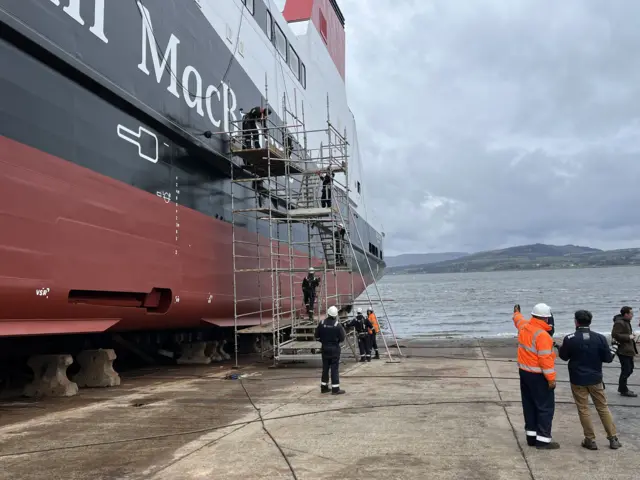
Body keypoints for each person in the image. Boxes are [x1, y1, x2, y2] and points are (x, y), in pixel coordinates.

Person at [558, 310, 621, 450]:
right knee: (603, 407)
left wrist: (559, 348)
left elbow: (564, 357)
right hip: (595, 378)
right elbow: (608, 358)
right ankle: (613, 438)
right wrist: (615, 347)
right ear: (590, 321)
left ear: (576, 321)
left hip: (578, 379)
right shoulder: (599, 338)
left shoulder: (570, 338)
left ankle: (590, 439)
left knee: (583, 409)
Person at [517, 302, 559, 449]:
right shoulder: (543, 336)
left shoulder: (525, 327)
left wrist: (516, 313)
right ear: (547, 319)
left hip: (524, 373)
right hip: (539, 376)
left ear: (533, 316)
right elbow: (545, 360)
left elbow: (519, 321)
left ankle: (531, 437)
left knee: (529, 405)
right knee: (545, 408)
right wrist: (551, 379)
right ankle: (543, 441)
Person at [315, 305, 346, 395]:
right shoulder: (337, 325)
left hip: (324, 348)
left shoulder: (321, 323)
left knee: (325, 368)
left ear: (328, 313)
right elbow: (342, 338)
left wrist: (323, 341)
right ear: (335, 315)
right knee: (334, 369)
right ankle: (335, 389)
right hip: (334, 349)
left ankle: (324, 387)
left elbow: (316, 336)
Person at [611, 306, 637, 397]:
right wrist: (628, 337)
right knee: (626, 370)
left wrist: (631, 335)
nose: (632, 315)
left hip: (628, 349)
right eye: (631, 314)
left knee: (630, 369)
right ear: (626, 314)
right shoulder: (619, 322)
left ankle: (622, 388)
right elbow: (615, 334)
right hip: (623, 350)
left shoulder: (626, 321)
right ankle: (623, 389)